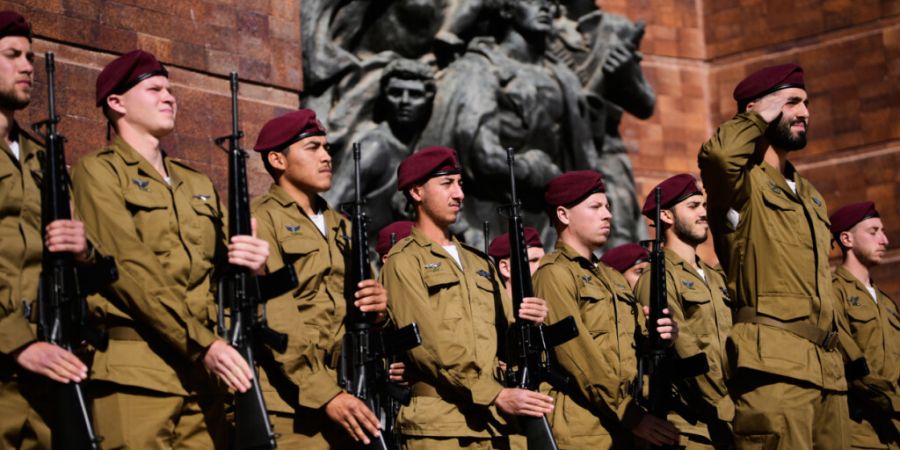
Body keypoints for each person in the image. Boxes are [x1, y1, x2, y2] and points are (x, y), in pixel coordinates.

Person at [71, 50, 270, 449]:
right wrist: (203, 342)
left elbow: (220, 276)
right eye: (154, 89)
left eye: (170, 89)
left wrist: (253, 264)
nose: (169, 97)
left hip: (204, 377)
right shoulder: (99, 171)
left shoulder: (195, 183)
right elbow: (131, 269)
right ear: (116, 102)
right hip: (137, 370)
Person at [698, 63, 848, 449]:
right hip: (774, 367)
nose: (805, 112)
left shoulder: (810, 193)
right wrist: (752, 119)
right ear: (758, 110)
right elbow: (718, 157)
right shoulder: (740, 181)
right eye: (792, 102)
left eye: (807, 103)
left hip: (828, 372)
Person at [380, 146, 553, 450]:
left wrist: (530, 323)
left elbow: (506, 342)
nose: (459, 194)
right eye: (446, 184)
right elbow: (428, 344)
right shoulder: (403, 262)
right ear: (417, 192)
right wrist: (495, 394)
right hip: (439, 428)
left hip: (491, 425)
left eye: (460, 184)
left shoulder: (479, 263)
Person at [249, 108, 391, 448]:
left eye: (327, 148)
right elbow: (275, 314)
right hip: (291, 404)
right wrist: (325, 393)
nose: (326, 157)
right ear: (277, 160)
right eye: (312, 147)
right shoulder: (262, 219)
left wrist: (380, 309)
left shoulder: (343, 226)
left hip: (351, 395)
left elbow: (362, 312)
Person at [0, 11, 95, 449]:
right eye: (12, 55)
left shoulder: (44, 159)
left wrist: (84, 249)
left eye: (31, 58)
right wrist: (16, 342)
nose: (26, 67)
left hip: (46, 366)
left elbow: (91, 264)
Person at [531, 170, 680, 449]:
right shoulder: (554, 274)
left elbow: (638, 345)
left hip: (623, 426)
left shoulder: (612, 279)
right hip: (584, 430)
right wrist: (632, 416)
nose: (608, 214)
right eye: (595, 207)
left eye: (608, 207)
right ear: (563, 215)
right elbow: (579, 358)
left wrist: (663, 334)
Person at [633, 174, 734, 448]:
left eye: (703, 205)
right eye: (692, 206)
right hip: (692, 427)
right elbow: (685, 351)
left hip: (731, 419)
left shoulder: (715, 276)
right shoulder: (656, 278)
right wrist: (729, 408)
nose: (703, 213)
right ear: (666, 215)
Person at [326, 58, 436, 239]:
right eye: (396, 93)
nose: (404, 101)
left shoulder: (415, 150)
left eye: (414, 94)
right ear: (384, 96)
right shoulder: (374, 147)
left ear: (428, 97)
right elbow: (332, 206)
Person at [829, 201, 899, 449]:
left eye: (882, 231)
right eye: (873, 232)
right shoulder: (833, 294)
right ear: (847, 239)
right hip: (861, 434)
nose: (885, 240)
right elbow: (852, 367)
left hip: (894, 431)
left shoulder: (886, 302)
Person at [487, 226, 545, 297]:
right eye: (534, 260)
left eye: (544, 259)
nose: (543, 264)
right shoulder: (491, 307)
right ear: (505, 268)